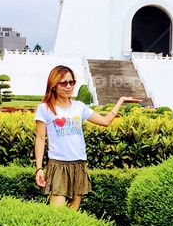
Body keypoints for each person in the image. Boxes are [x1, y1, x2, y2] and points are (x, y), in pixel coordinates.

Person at [34, 65, 140, 210]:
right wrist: (39, 168)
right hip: (58, 165)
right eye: (64, 83)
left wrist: (120, 101)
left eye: (72, 82)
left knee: (73, 213)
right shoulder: (45, 108)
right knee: (57, 213)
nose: (69, 86)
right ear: (54, 85)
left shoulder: (79, 107)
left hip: (79, 165)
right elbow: (40, 139)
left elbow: (105, 121)